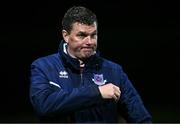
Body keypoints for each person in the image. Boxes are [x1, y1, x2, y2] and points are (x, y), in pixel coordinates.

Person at [29, 6, 152, 123]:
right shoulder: (44, 67)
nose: (89, 41)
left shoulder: (114, 71)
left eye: (93, 35)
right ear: (66, 35)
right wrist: (96, 93)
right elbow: (43, 106)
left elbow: (141, 118)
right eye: (82, 35)